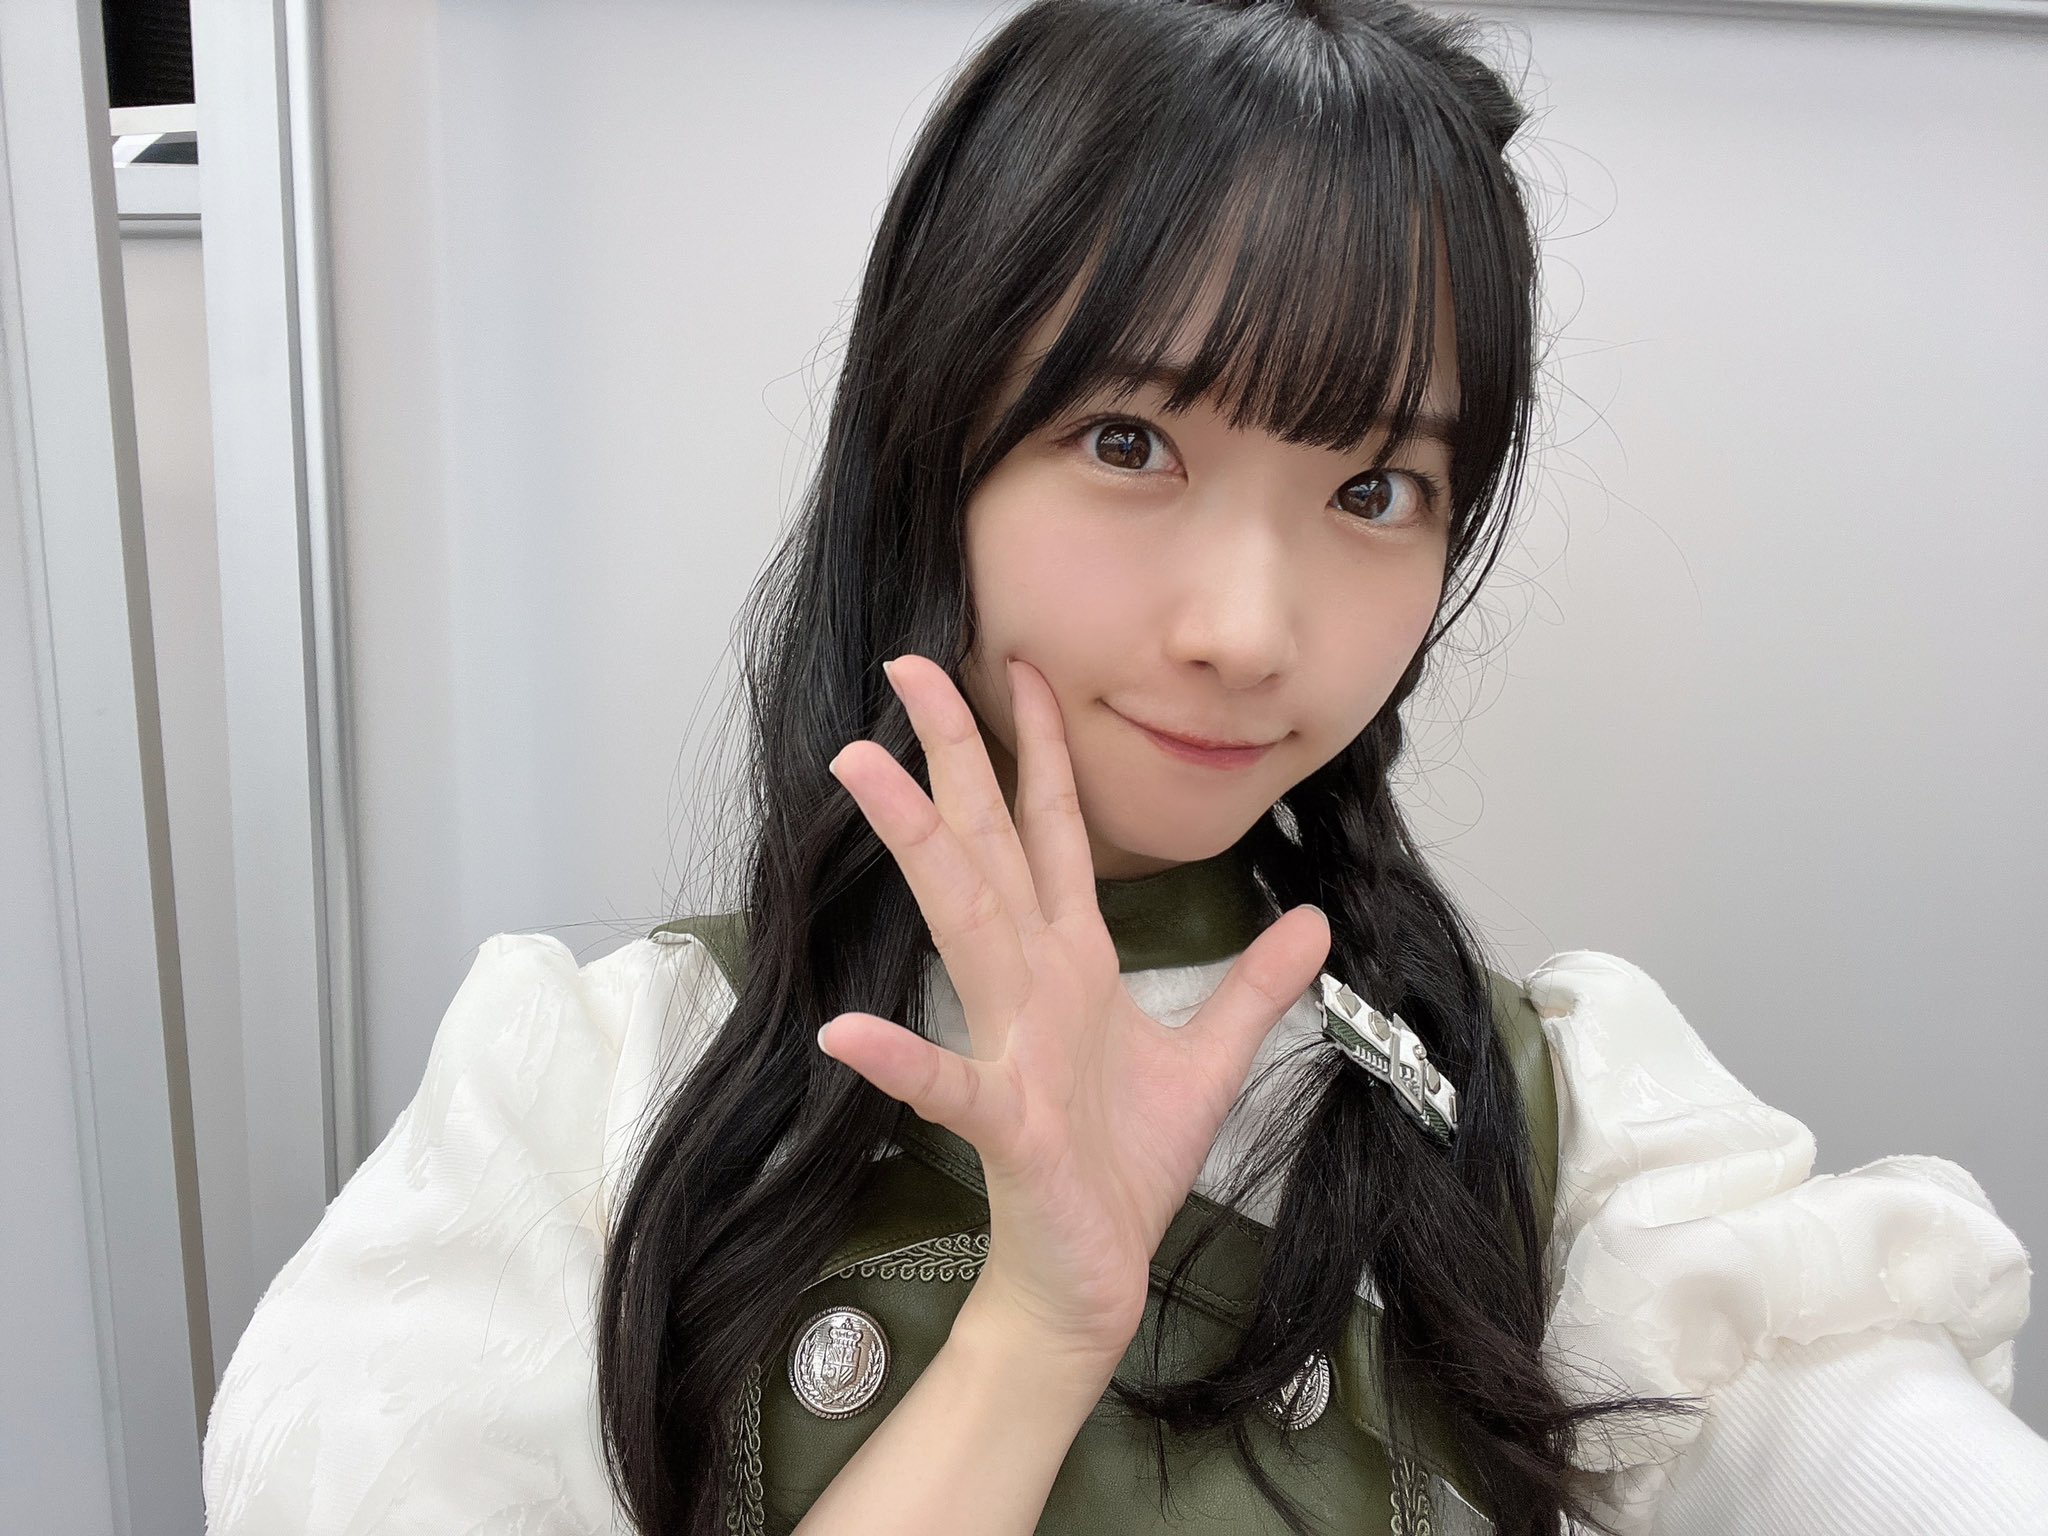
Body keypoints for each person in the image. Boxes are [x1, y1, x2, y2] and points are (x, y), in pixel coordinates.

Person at [199, 1, 2046, 1532]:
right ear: (931, 451)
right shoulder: (600, 1097)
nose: (1248, 628)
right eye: (1130, 442)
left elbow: (1854, 1435)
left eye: (1374, 488)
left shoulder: (1548, 1112)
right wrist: (1036, 1327)